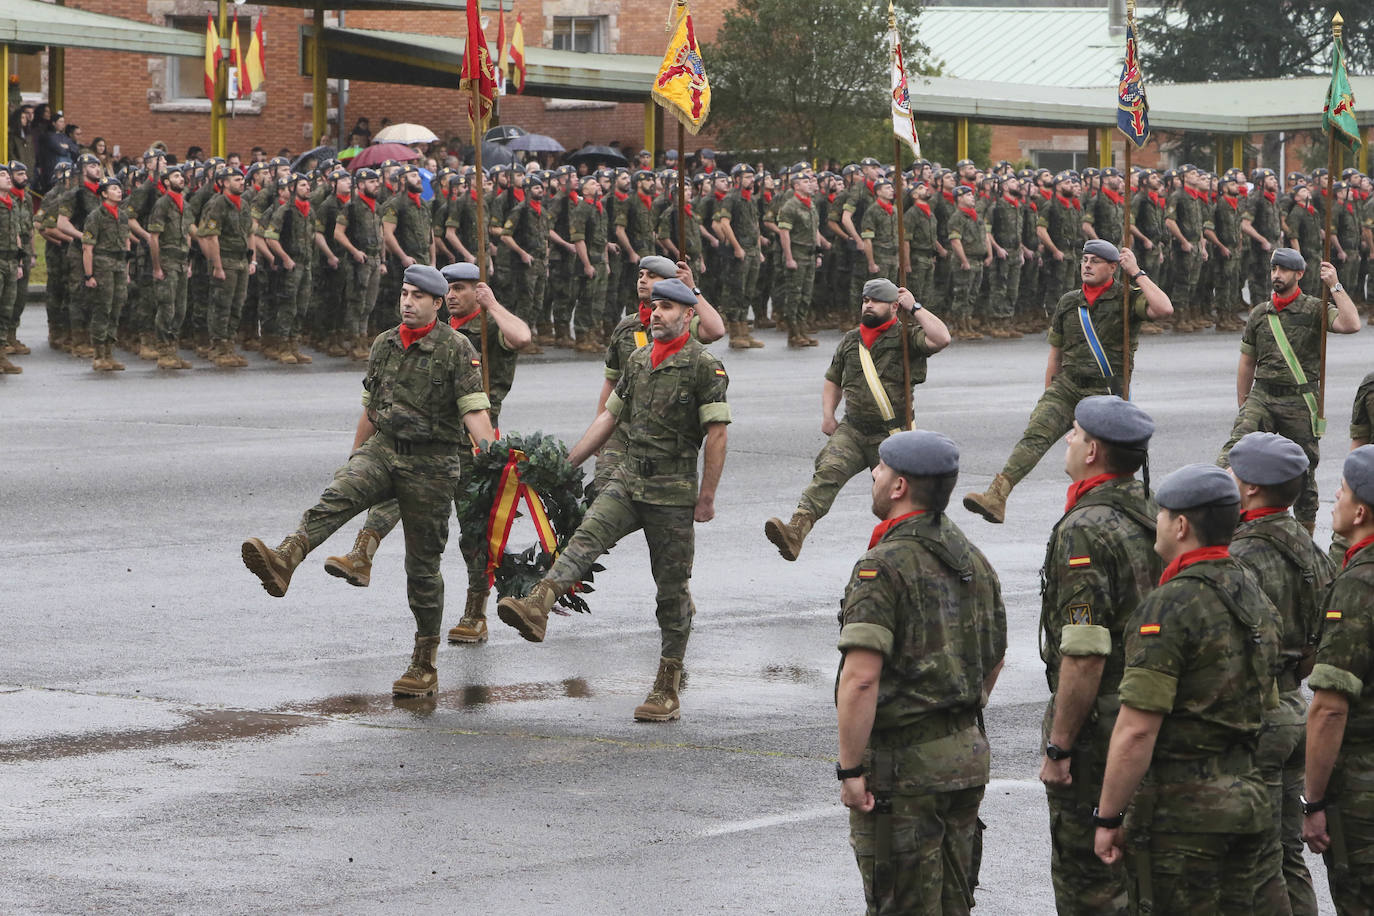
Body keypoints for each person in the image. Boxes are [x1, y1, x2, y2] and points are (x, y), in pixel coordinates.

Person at [241, 264, 495, 697]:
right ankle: (286, 558)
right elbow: (370, 408)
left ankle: (424, 660)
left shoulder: (457, 348)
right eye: (404, 294)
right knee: (337, 496)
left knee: (423, 569)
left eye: (419, 297)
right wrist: (355, 457)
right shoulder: (384, 344)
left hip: (433, 465)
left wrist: (491, 452)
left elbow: (473, 409)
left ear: (437, 304)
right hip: (384, 448)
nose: (408, 302)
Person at [495, 277, 730, 723]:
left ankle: (667, 684)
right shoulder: (639, 359)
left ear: (687, 315)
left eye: (666, 308)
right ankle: (538, 605)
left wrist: (707, 497)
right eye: (654, 306)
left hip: (672, 492)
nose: (656, 313)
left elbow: (717, 434)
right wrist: (568, 462)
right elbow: (609, 418)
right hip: (627, 480)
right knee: (584, 539)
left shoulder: (704, 366)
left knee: (672, 591)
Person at [1092, 463, 1288, 913]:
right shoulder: (1252, 589)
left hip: (1184, 814)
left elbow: (1137, 729)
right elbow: (1268, 700)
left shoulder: (1169, 604)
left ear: (1180, 525)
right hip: (1249, 797)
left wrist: (1109, 815)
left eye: (1161, 514)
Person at [835, 429, 1006, 915]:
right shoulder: (974, 559)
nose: (873, 472)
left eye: (882, 467)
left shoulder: (882, 567)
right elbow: (995, 655)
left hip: (901, 775)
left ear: (899, 487)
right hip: (963, 759)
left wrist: (850, 768)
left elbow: (861, 677)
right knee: (953, 903)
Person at [324, 261, 531, 644]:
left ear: (477, 292)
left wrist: (493, 305)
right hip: (425, 438)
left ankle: (474, 613)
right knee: (389, 495)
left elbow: (521, 338)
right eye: (449, 288)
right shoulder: (428, 331)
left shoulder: (487, 330)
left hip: (470, 443)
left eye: (463, 288)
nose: (453, 295)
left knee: (473, 530)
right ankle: (361, 555)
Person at [1037, 395, 1160, 916]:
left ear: (1093, 451)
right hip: (1149, 716)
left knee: (1090, 878)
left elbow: (1084, 652)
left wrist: (1060, 747)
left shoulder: (1084, 528)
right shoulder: (1155, 511)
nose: (1067, 439)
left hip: (1101, 728)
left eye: (1075, 434)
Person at [964, 240, 1173, 524]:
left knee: (1102, 460)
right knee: (1035, 435)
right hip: (1067, 386)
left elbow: (1164, 309)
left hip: (1105, 392)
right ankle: (997, 495)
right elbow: (1055, 354)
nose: (1087, 265)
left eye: (1095, 261)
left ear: (1113, 267)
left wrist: (1136, 272)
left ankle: (1126, 514)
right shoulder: (1069, 302)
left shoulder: (1127, 298)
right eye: (1085, 259)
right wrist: (1048, 393)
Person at [764, 279, 949, 561]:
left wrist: (915, 307)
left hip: (892, 434)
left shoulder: (906, 338)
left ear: (894, 306)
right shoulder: (852, 340)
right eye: (865, 300)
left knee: (895, 497)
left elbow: (941, 338)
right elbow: (833, 379)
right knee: (828, 472)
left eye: (876, 301)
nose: (869, 305)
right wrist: (828, 415)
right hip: (852, 428)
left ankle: (910, 549)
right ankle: (795, 532)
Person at [1227, 431, 1334, 916]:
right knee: (1289, 855)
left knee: (1257, 861)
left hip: (1257, 715)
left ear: (1250, 488)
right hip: (1297, 706)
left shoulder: (1239, 556)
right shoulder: (1313, 554)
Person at [1217, 247, 1362, 533]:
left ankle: (1305, 536)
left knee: (1304, 470)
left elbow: (1351, 323)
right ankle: (1224, 516)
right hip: (1263, 395)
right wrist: (1244, 403)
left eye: (1283, 270)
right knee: (1235, 451)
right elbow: (1247, 362)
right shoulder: (1260, 313)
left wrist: (1334, 284)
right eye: (1273, 269)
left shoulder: (1314, 309)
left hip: (1299, 397)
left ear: (1299, 274)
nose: (1276, 275)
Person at [1301, 446, 1374, 910]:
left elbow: (1329, 708)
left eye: (1343, 490)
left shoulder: (1358, 584)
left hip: (1364, 792)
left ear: (1361, 511)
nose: (1336, 497)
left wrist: (1313, 802)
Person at [591, 255, 724, 495]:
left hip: (662, 434)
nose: (643, 281)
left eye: (652, 276)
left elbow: (715, 329)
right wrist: (598, 432)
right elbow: (610, 381)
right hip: (622, 428)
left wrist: (691, 289)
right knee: (603, 490)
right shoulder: (625, 327)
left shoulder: (681, 323)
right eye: (641, 275)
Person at [261, 172, 317, 364]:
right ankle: (282, 346)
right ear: (293, 189)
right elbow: (270, 237)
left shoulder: (310, 211)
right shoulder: (284, 211)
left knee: (302, 306)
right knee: (287, 306)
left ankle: (295, 344)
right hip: (291, 266)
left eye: (308, 185)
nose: (307, 188)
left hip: (306, 265)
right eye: (302, 185)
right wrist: (284, 258)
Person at [145, 162, 194, 370]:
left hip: (182, 262)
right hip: (167, 261)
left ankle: (173, 350)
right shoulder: (162, 204)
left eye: (181, 176)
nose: (181, 179)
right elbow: (154, 237)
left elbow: (188, 235)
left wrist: (189, 261)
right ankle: (164, 351)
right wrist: (157, 266)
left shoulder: (185, 204)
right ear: (166, 182)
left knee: (181, 308)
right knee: (167, 307)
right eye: (175, 176)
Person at [334, 167, 385, 361]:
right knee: (357, 300)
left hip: (375, 259)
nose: (376, 185)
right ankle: (355, 341)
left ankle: (363, 337)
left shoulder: (377, 207)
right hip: (358, 262)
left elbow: (381, 235)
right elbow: (338, 233)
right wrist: (354, 251)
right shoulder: (352, 207)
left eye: (376, 181)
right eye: (372, 182)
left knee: (370, 302)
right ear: (361, 185)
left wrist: (383, 259)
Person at [81, 175, 130, 372]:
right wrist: (89, 275)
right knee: (103, 309)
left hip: (119, 265)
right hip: (102, 265)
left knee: (116, 308)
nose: (118, 191)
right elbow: (87, 248)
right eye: (113, 188)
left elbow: (126, 244)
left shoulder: (123, 215)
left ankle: (110, 352)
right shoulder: (96, 216)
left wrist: (126, 271)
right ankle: (99, 354)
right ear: (103, 194)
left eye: (119, 188)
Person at [0, 164, 25, 375]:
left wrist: (19, 262)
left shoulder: (13, 204)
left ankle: (1, 355)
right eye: (2, 175)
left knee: (6, 310)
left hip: (10, 261)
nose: (8, 178)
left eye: (8, 175)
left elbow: (17, 233)